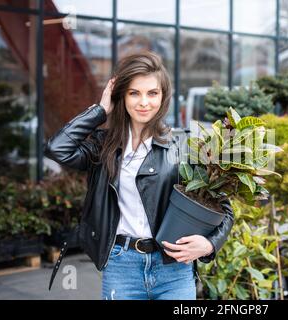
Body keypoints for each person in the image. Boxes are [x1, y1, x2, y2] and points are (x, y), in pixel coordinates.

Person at [44, 52, 234, 300]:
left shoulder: (183, 146)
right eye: (134, 93)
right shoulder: (104, 146)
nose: (144, 102)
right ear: (121, 95)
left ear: (163, 96)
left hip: (173, 268)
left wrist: (209, 245)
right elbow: (57, 148)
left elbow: (225, 210)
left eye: (152, 93)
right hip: (121, 266)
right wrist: (100, 111)